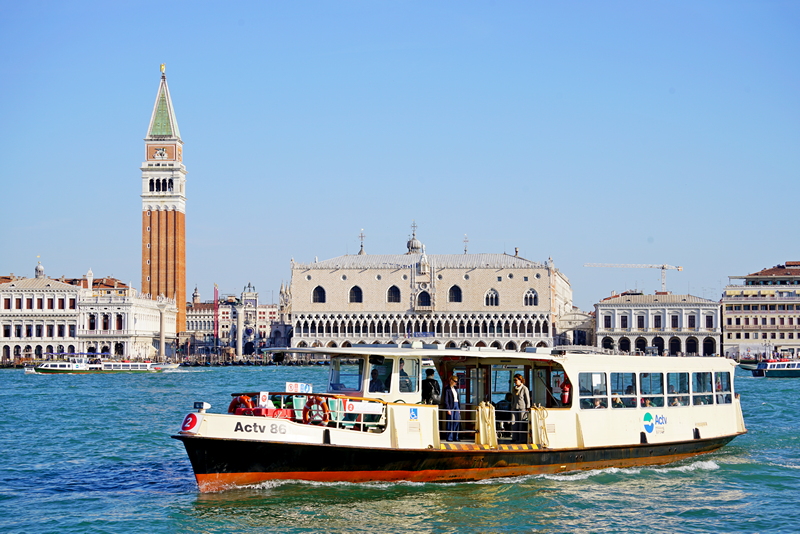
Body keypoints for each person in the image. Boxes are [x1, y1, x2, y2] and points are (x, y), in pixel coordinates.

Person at [512, 374, 531, 443]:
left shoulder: (524, 388)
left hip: (522, 408)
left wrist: (527, 407)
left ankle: (522, 439)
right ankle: (514, 438)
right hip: (515, 407)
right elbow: (513, 398)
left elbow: (527, 399)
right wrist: (512, 406)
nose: (514, 381)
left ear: (520, 380)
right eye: (514, 380)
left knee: (521, 423)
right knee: (514, 422)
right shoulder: (514, 388)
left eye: (516, 380)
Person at [443, 375, 460, 441]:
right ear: (451, 381)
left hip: (456, 405)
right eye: (455, 381)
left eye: (457, 382)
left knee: (456, 421)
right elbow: (446, 400)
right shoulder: (447, 389)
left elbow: (457, 398)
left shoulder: (455, 389)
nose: (456, 383)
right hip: (451, 405)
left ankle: (456, 437)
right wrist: (448, 409)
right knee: (450, 421)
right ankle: (449, 437)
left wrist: (459, 408)